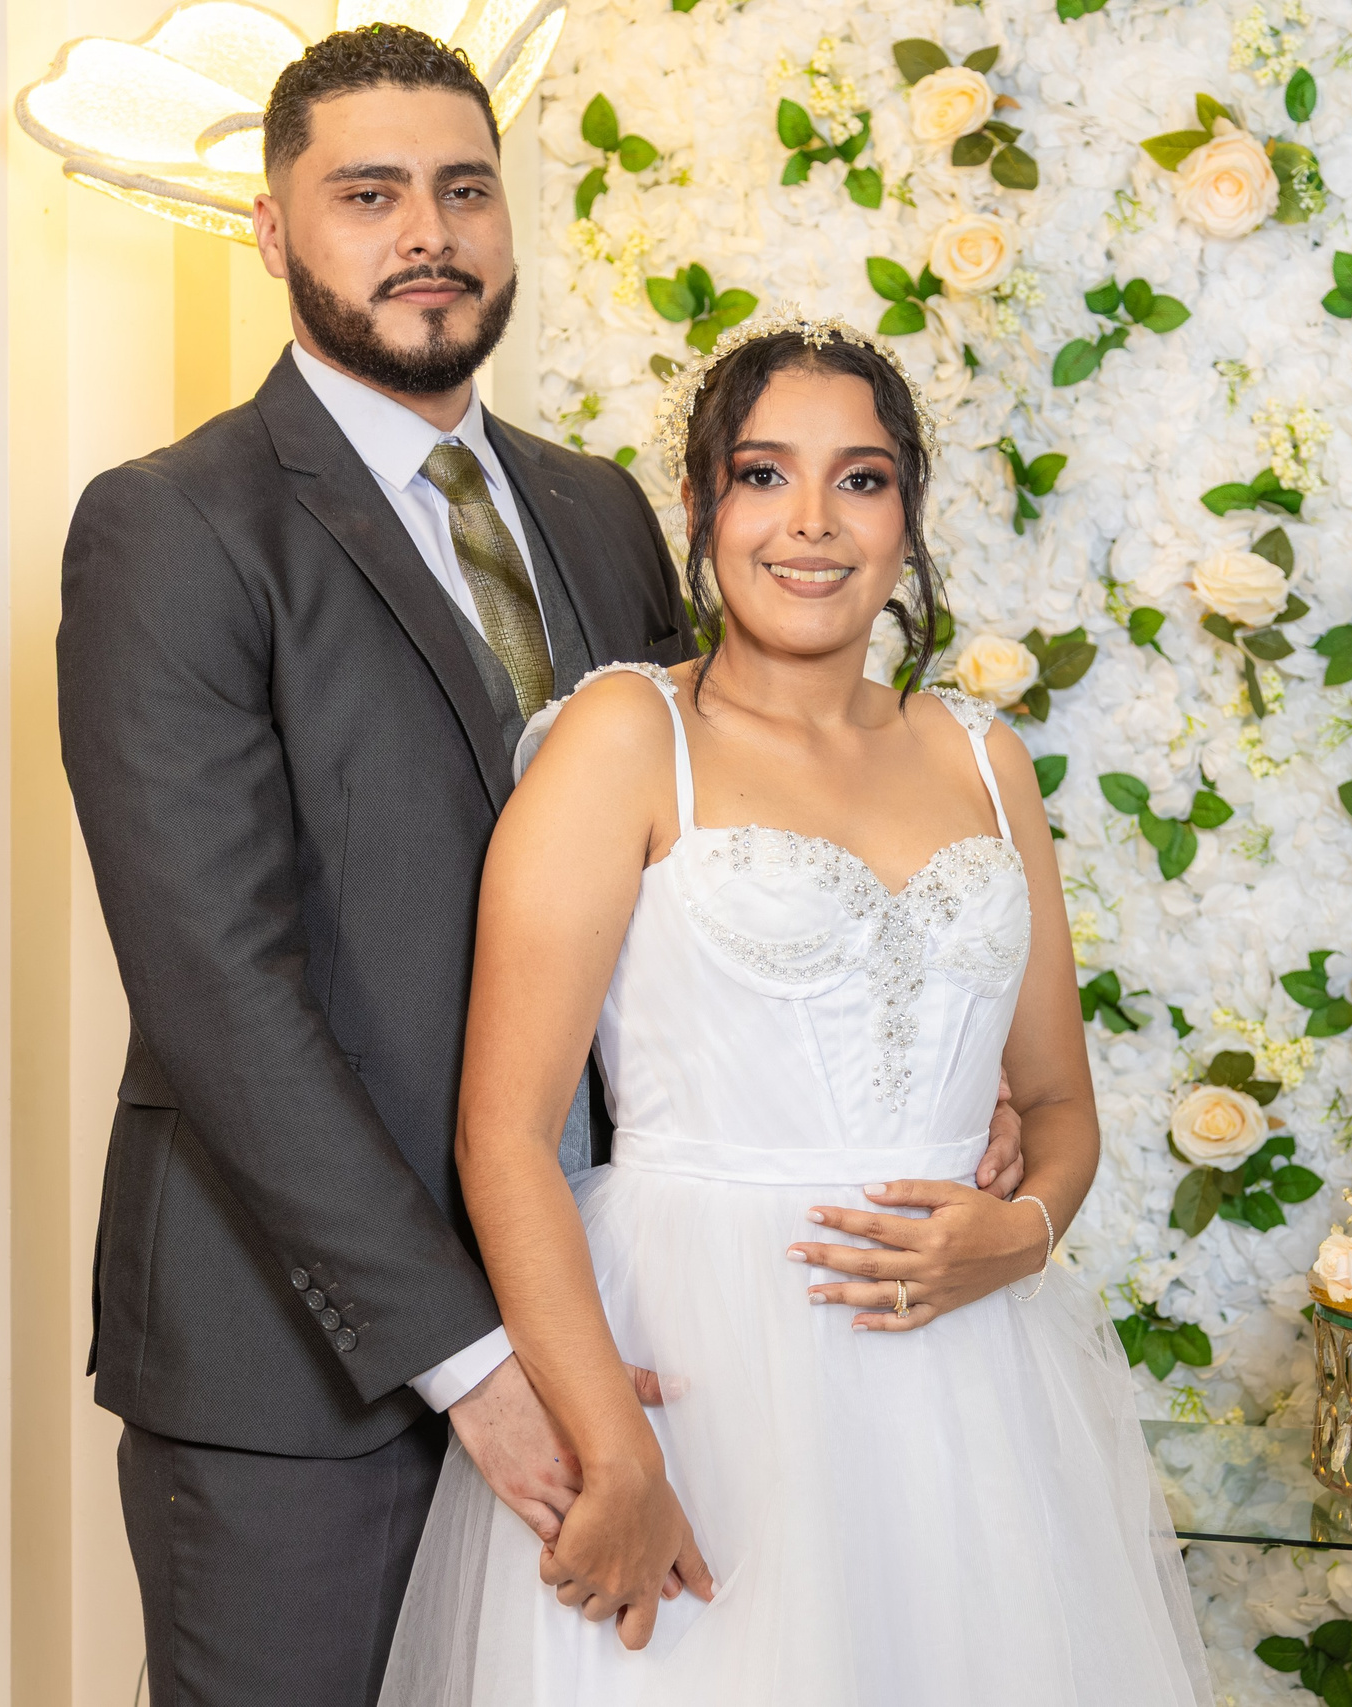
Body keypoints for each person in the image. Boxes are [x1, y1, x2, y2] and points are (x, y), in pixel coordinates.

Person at [58, 28, 1027, 1707]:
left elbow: (706, 837)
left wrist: (911, 1053)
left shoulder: (600, 514)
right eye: (368, 195)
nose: (425, 232)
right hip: (312, 1371)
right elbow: (220, 993)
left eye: (462, 190)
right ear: (276, 233)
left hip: (642, 1341)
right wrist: (474, 1365)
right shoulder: (176, 526)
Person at [375, 312, 1213, 1704]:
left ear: (908, 520)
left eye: (862, 479)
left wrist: (1016, 1234)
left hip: (968, 1391)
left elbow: (1060, 1109)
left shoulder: (986, 760)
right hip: (698, 1368)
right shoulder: (625, 740)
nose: (811, 523)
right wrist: (615, 1447)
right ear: (702, 510)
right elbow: (504, 1137)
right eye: (765, 475)